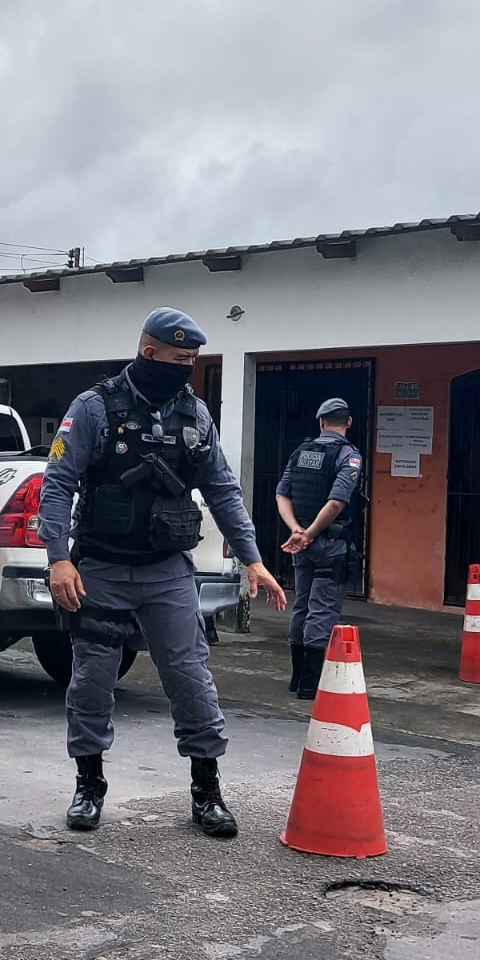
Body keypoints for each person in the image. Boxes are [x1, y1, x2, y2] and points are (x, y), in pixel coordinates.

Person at [39, 307, 287, 839]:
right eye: (179, 359)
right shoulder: (94, 408)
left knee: (191, 679)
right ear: (148, 353)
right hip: (100, 570)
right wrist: (58, 556)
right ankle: (89, 785)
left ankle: (207, 792)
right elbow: (58, 483)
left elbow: (222, 489)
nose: (187, 369)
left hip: (167, 572)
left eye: (194, 360)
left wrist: (253, 558)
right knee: (92, 683)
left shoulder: (195, 415)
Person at [276, 397, 366, 700]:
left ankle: (296, 677)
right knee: (322, 611)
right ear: (348, 422)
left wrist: (296, 531)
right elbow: (338, 501)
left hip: (301, 544)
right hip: (329, 543)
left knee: (302, 606)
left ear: (321, 422)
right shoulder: (348, 456)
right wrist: (311, 533)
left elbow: (281, 494)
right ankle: (309, 685)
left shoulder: (301, 452)